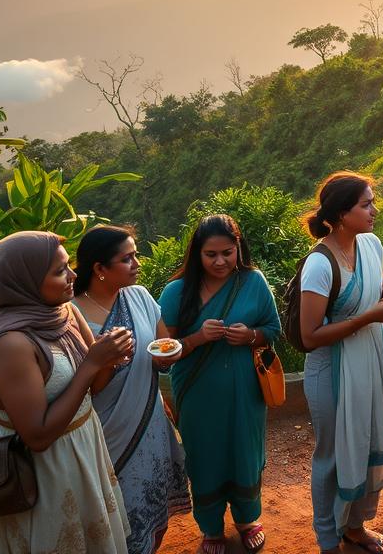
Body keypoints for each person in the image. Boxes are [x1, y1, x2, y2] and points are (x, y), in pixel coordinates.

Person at [0, 231, 133, 553]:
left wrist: (108, 358)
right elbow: (37, 436)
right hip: (42, 473)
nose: (74, 275)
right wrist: (92, 363)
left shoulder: (63, 312)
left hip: (82, 448)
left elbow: (94, 388)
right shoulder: (11, 343)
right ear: (25, 280)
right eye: (60, 271)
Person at [159, 215, 282, 554]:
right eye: (210, 254)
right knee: (205, 455)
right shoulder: (176, 292)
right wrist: (198, 338)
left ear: (238, 249)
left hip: (246, 390)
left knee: (245, 450)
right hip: (197, 393)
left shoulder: (253, 282)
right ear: (196, 254)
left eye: (227, 252)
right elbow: (164, 351)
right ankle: (211, 529)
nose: (220, 261)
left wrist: (251, 336)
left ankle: (247, 519)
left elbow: (274, 329)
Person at [299, 173, 383, 554]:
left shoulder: (372, 245)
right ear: (342, 214)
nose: (374, 210)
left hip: (372, 361)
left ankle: (356, 527)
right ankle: (329, 538)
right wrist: (367, 319)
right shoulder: (319, 263)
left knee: (367, 444)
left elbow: (373, 293)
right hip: (332, 373)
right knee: (332, 455)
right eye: (366, 204)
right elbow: (310, 335)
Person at [72, 226, 191, 554]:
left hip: (149, 424)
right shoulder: (72, 314)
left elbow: (163, 344)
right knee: (115, 516)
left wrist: (169, 354)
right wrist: (106, 361)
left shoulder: (139, 296)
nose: (137, 263)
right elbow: (81, 387)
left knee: (154, 511)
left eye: (135, 254)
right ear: (99, 269)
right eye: (127, 259)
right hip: (103, 431)